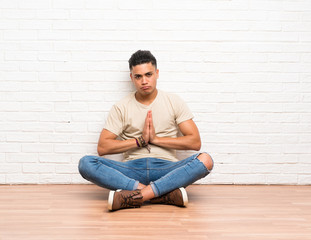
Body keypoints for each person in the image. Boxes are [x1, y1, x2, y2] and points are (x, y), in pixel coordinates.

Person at [78, 50, 214, 211]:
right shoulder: (121, 107)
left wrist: (156, 140)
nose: (144, 81)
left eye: (148, 74)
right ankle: (161, 194)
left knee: (206, 160)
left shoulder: (173, 101)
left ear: (157, 73)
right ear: (132, 78)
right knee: (85, 163)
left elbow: (195, 142)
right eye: (138, 76)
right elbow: (103, 148)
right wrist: (139, 141)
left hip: (166, 169)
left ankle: (137, 196)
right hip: (131, 170)